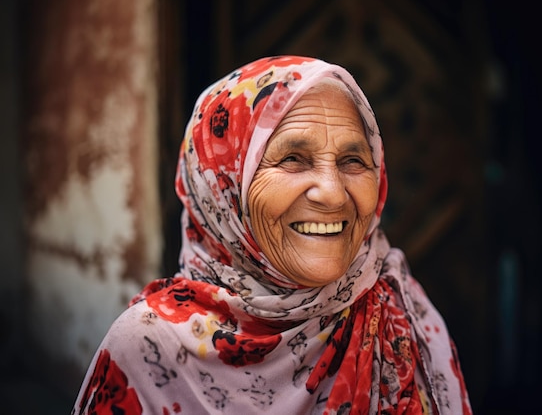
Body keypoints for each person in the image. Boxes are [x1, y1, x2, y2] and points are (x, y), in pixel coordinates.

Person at [72, 55, 472, 415]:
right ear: (223, 188)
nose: (332, 193)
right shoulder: (146, 348)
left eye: (353, 160)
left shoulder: (399, 310)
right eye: (293, 159)